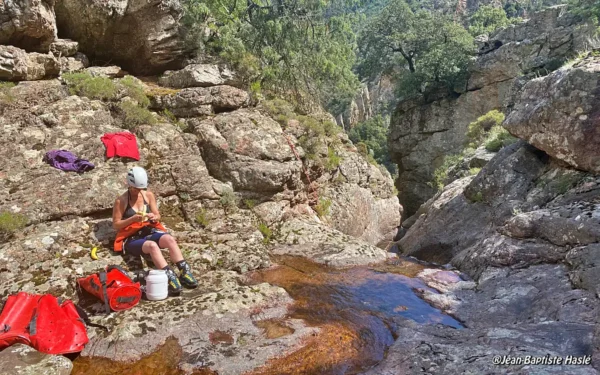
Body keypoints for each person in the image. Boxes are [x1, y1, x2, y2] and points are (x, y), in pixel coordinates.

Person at [112, 166, 198, 295]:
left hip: (148, 230)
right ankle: (169, 276)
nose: (138, 191)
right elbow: (116, 224)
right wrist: (132, 219)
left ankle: (184, 271)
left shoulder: (148, 195)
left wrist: (154, 217)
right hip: (132, 237)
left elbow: (157, 214)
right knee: (152, 246)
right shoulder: (121, 201)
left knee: (169, 239)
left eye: (141, 188)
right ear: (129, 185)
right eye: (135, 189)